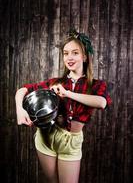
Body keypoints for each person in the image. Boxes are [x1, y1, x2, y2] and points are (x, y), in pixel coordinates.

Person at [15, 29, 112, 183]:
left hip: (71, 142)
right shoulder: (55, 82)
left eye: (75, 53)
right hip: (47, 136)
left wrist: (67, 93)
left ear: (85, 57)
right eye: (66, 53)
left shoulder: (96, 85)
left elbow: (101, 102)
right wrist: (19, 110)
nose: (69, 57)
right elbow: (23, 90)